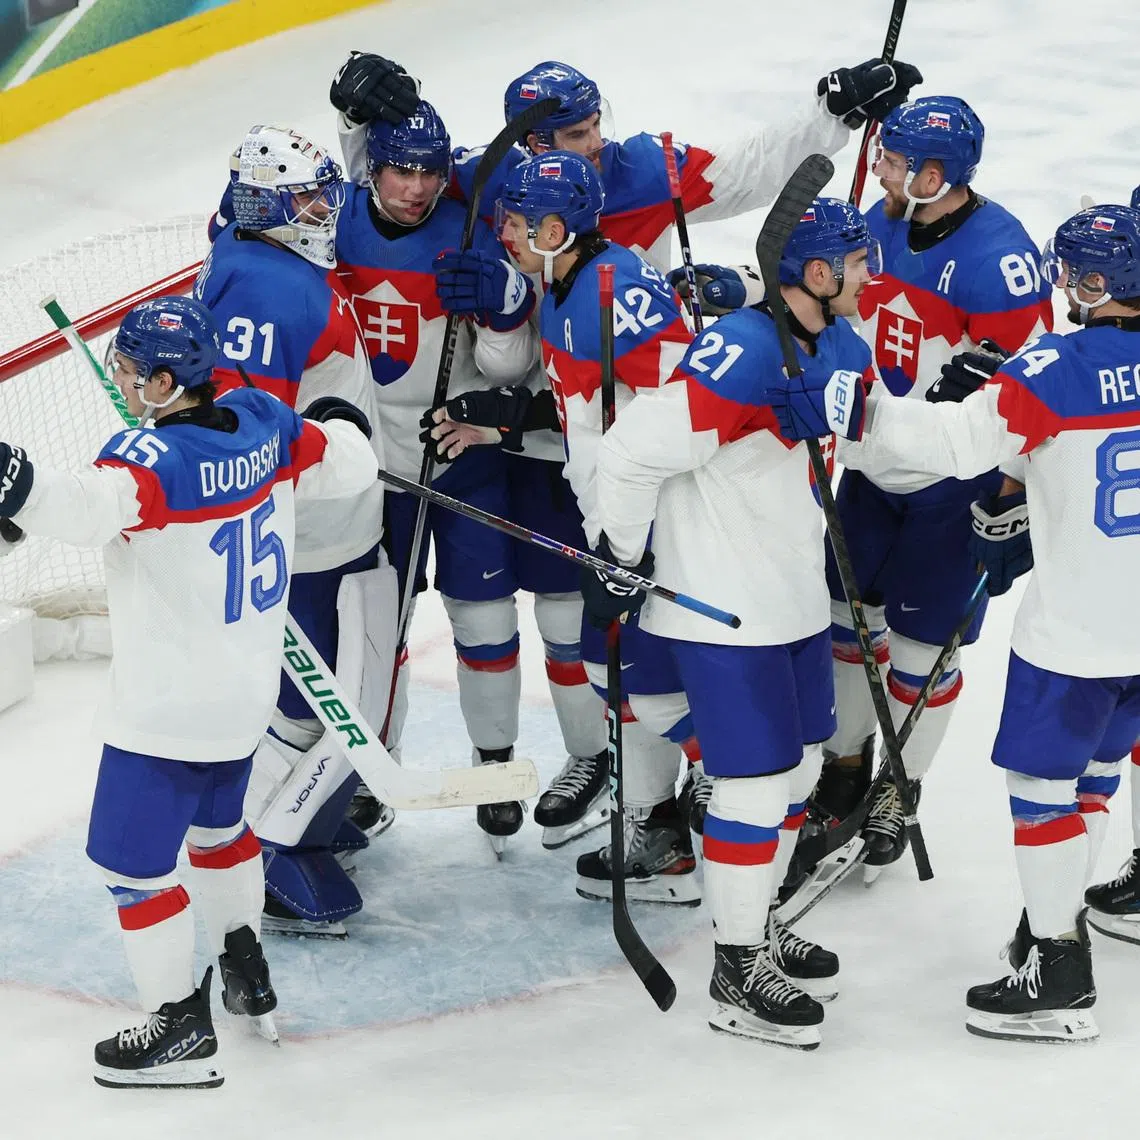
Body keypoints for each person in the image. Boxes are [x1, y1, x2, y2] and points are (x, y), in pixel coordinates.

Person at [334, 50, 923, 844]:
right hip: (546, 424)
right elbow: (388, 190)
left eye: (594, 126)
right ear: (531, 148)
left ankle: (673, 785)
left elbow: (749, 174)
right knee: (594, 639)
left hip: (620, 434)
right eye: (575, 135)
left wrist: (832, 111)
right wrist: (359, 120)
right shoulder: (491, 180)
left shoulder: (636, 180)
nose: (596, 144)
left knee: (597, 623)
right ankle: (674, 799)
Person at [777, 202, 1140, 1043]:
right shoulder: (1055, 368)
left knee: (1044, 792)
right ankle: (1056, 923)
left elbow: (951, 445)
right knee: (1093, 781)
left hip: (1077, 633)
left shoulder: (1054, 366)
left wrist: (852, 405)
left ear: (1092, 284)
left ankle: (1058, 968)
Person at [0, 296, 380, 1087]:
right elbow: (348, 457)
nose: (124, 381)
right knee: (219, 835)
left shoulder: (149, 465)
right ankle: (244, 960)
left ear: (170, 382)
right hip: (244, 698)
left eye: (134, 371)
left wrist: (17, 483)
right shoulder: (266, 421)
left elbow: (81, 508)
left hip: (166, 713)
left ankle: (178, 1027)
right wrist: (343, 421)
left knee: (133, 868)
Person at [592, 198, 876, 1047]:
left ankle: (755, 919)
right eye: (857, 262)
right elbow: (631, 451)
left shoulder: (844, 343)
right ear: (817, 275)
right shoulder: (744, 350)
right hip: (722, 606)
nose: (872, 275)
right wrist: (624, 556)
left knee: (794, 780)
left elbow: (855, 440)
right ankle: (736, 965)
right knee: (755, 783)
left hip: (790, 591)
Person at [428, 152, 702, 903]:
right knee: (619, 675)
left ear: (554, 228)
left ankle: (730, 801)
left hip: (654, 529)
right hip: (623, 522)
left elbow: (671, 423)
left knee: (648, 677)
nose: (504, 235)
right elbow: (592, 415)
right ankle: (665, 821)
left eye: (516, 224)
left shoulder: (610, 297)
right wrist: (506, 420)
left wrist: (626, 545)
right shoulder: (576, 282)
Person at [817, 96, 1054, 875]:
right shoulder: (877, 222)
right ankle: (845, 764)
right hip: (871, 467)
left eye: (891, 160)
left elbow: (1037, 388)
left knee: (921, 650)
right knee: (846, 628)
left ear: (932, 174)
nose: (877, 168)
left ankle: (900, 784)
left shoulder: (1000, 257)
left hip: (952, 485)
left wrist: (1013, 493)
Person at [196, 124, 394, 935]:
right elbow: (249, 428)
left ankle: (296, 813)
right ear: (265, 207)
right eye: (305, 197)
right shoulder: (269, 289)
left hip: (334, 518)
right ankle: (263, 847)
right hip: (310, 531)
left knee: (341, 682)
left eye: (323, 188)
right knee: (316, 696)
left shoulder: (265, 253)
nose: (325, 206)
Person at [332, 101, 540, 854]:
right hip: (370, 461)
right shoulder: (332, 223)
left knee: (483, 619)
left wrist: (503, 312)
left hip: (461, 451)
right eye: (399, 168)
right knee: (374, 629)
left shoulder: (475, 228)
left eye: (429, 170)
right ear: (370, 166)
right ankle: (369, 771)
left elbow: (510, 369)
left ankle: (494, 762)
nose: (416, 186)